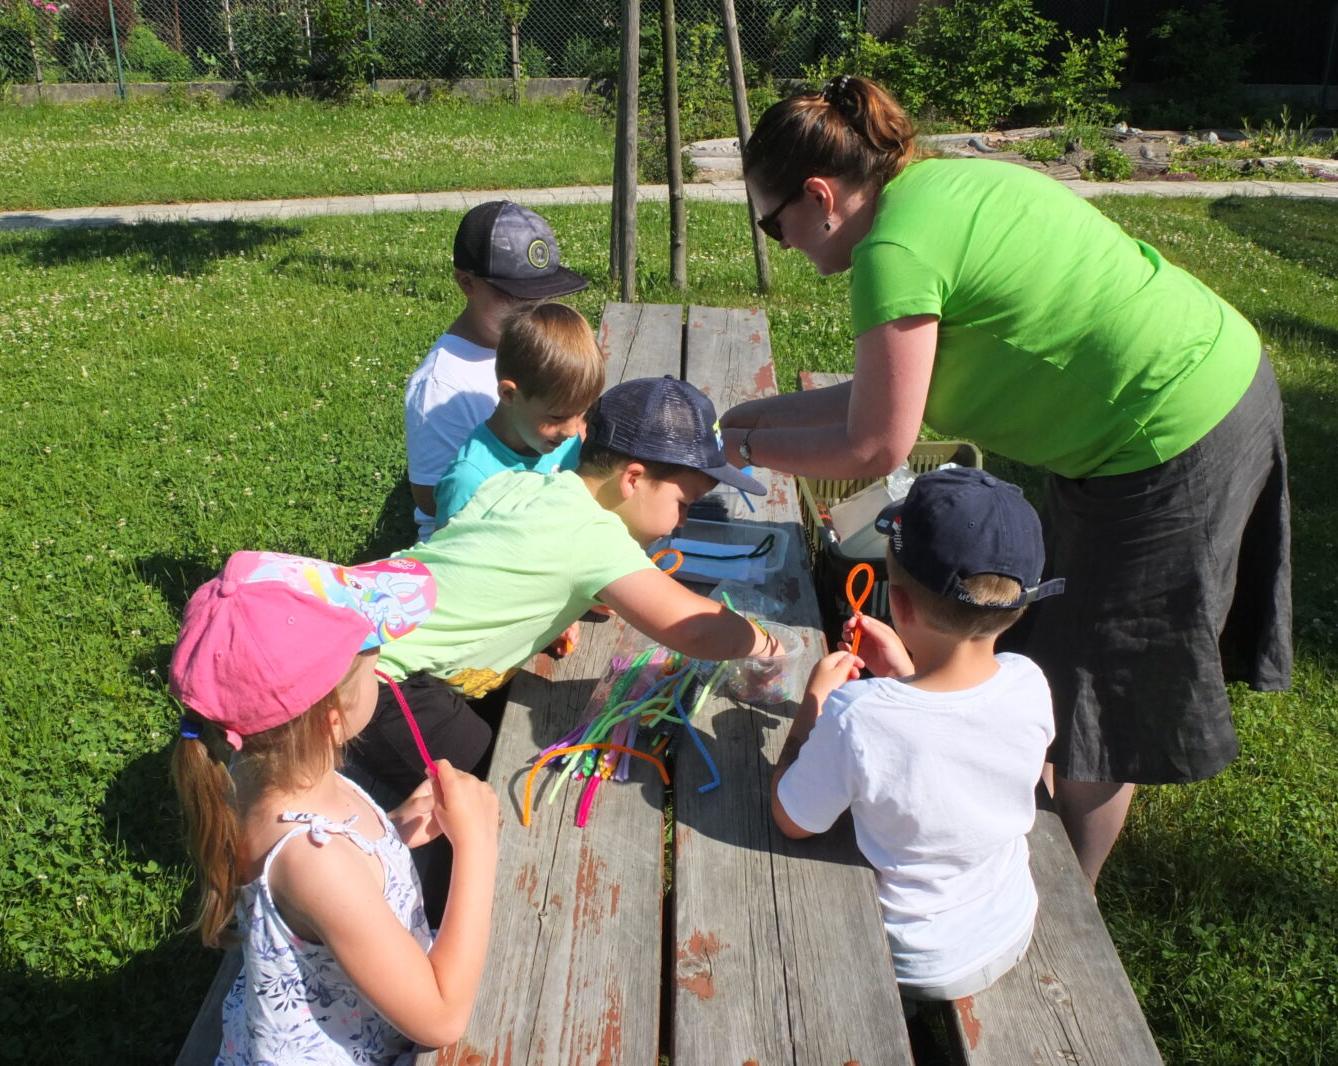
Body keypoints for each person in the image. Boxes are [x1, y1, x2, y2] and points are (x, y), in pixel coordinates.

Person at [722, 74, 1291, 887]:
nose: (780, 243)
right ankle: (1014, 819)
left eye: (773, 226)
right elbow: (881, 400)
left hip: (1172, 433)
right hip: (1175, 393)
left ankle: (1069, 908)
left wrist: (749, 450)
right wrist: (746, 423)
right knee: (1054, 649)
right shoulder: (927, 189)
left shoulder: (892, 250)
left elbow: (879, 445)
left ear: (819, 196)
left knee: (1099, 698)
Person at [351, 376, 783, 804]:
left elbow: (485, 558)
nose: (682, 523)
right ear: (632, 478)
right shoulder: (594, 537)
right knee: (480, 783)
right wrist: (766, 644)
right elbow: (695, 630)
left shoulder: (524, 483)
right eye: (683, 505)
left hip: (365, 625)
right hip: (376, 682)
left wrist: (543, 608)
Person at [169, 550, 499, 1063]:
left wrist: (395, 831)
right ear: (331, 717)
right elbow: (440, 1018)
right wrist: (478, 845)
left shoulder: (260, 776)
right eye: (374, 666)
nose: (384, 676)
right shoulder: (316, 864)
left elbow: (335, 872)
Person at [773, 467, 1061, 1003]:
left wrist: (814, 703)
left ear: (898, 605)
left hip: (918, 959)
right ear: (1018, 608)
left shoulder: (857, 716)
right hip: (1011, 921)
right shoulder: (1028, 682)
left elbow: (793, 821)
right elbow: (951, 731)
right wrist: (905, 672)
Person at [405, 201, 588, 542]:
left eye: (543, 298)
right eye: (519, 301)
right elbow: (430, 498)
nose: (532, 313)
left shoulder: (538, 347)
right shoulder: (442, 383)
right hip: (474, 535)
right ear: (467, 283)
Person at [433, 302, 605, 527]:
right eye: (557, 417)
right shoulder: (472, 480)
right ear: (509, 394)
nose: (572, 431)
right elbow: (447, 555)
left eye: (581, 413)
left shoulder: (561, 443)